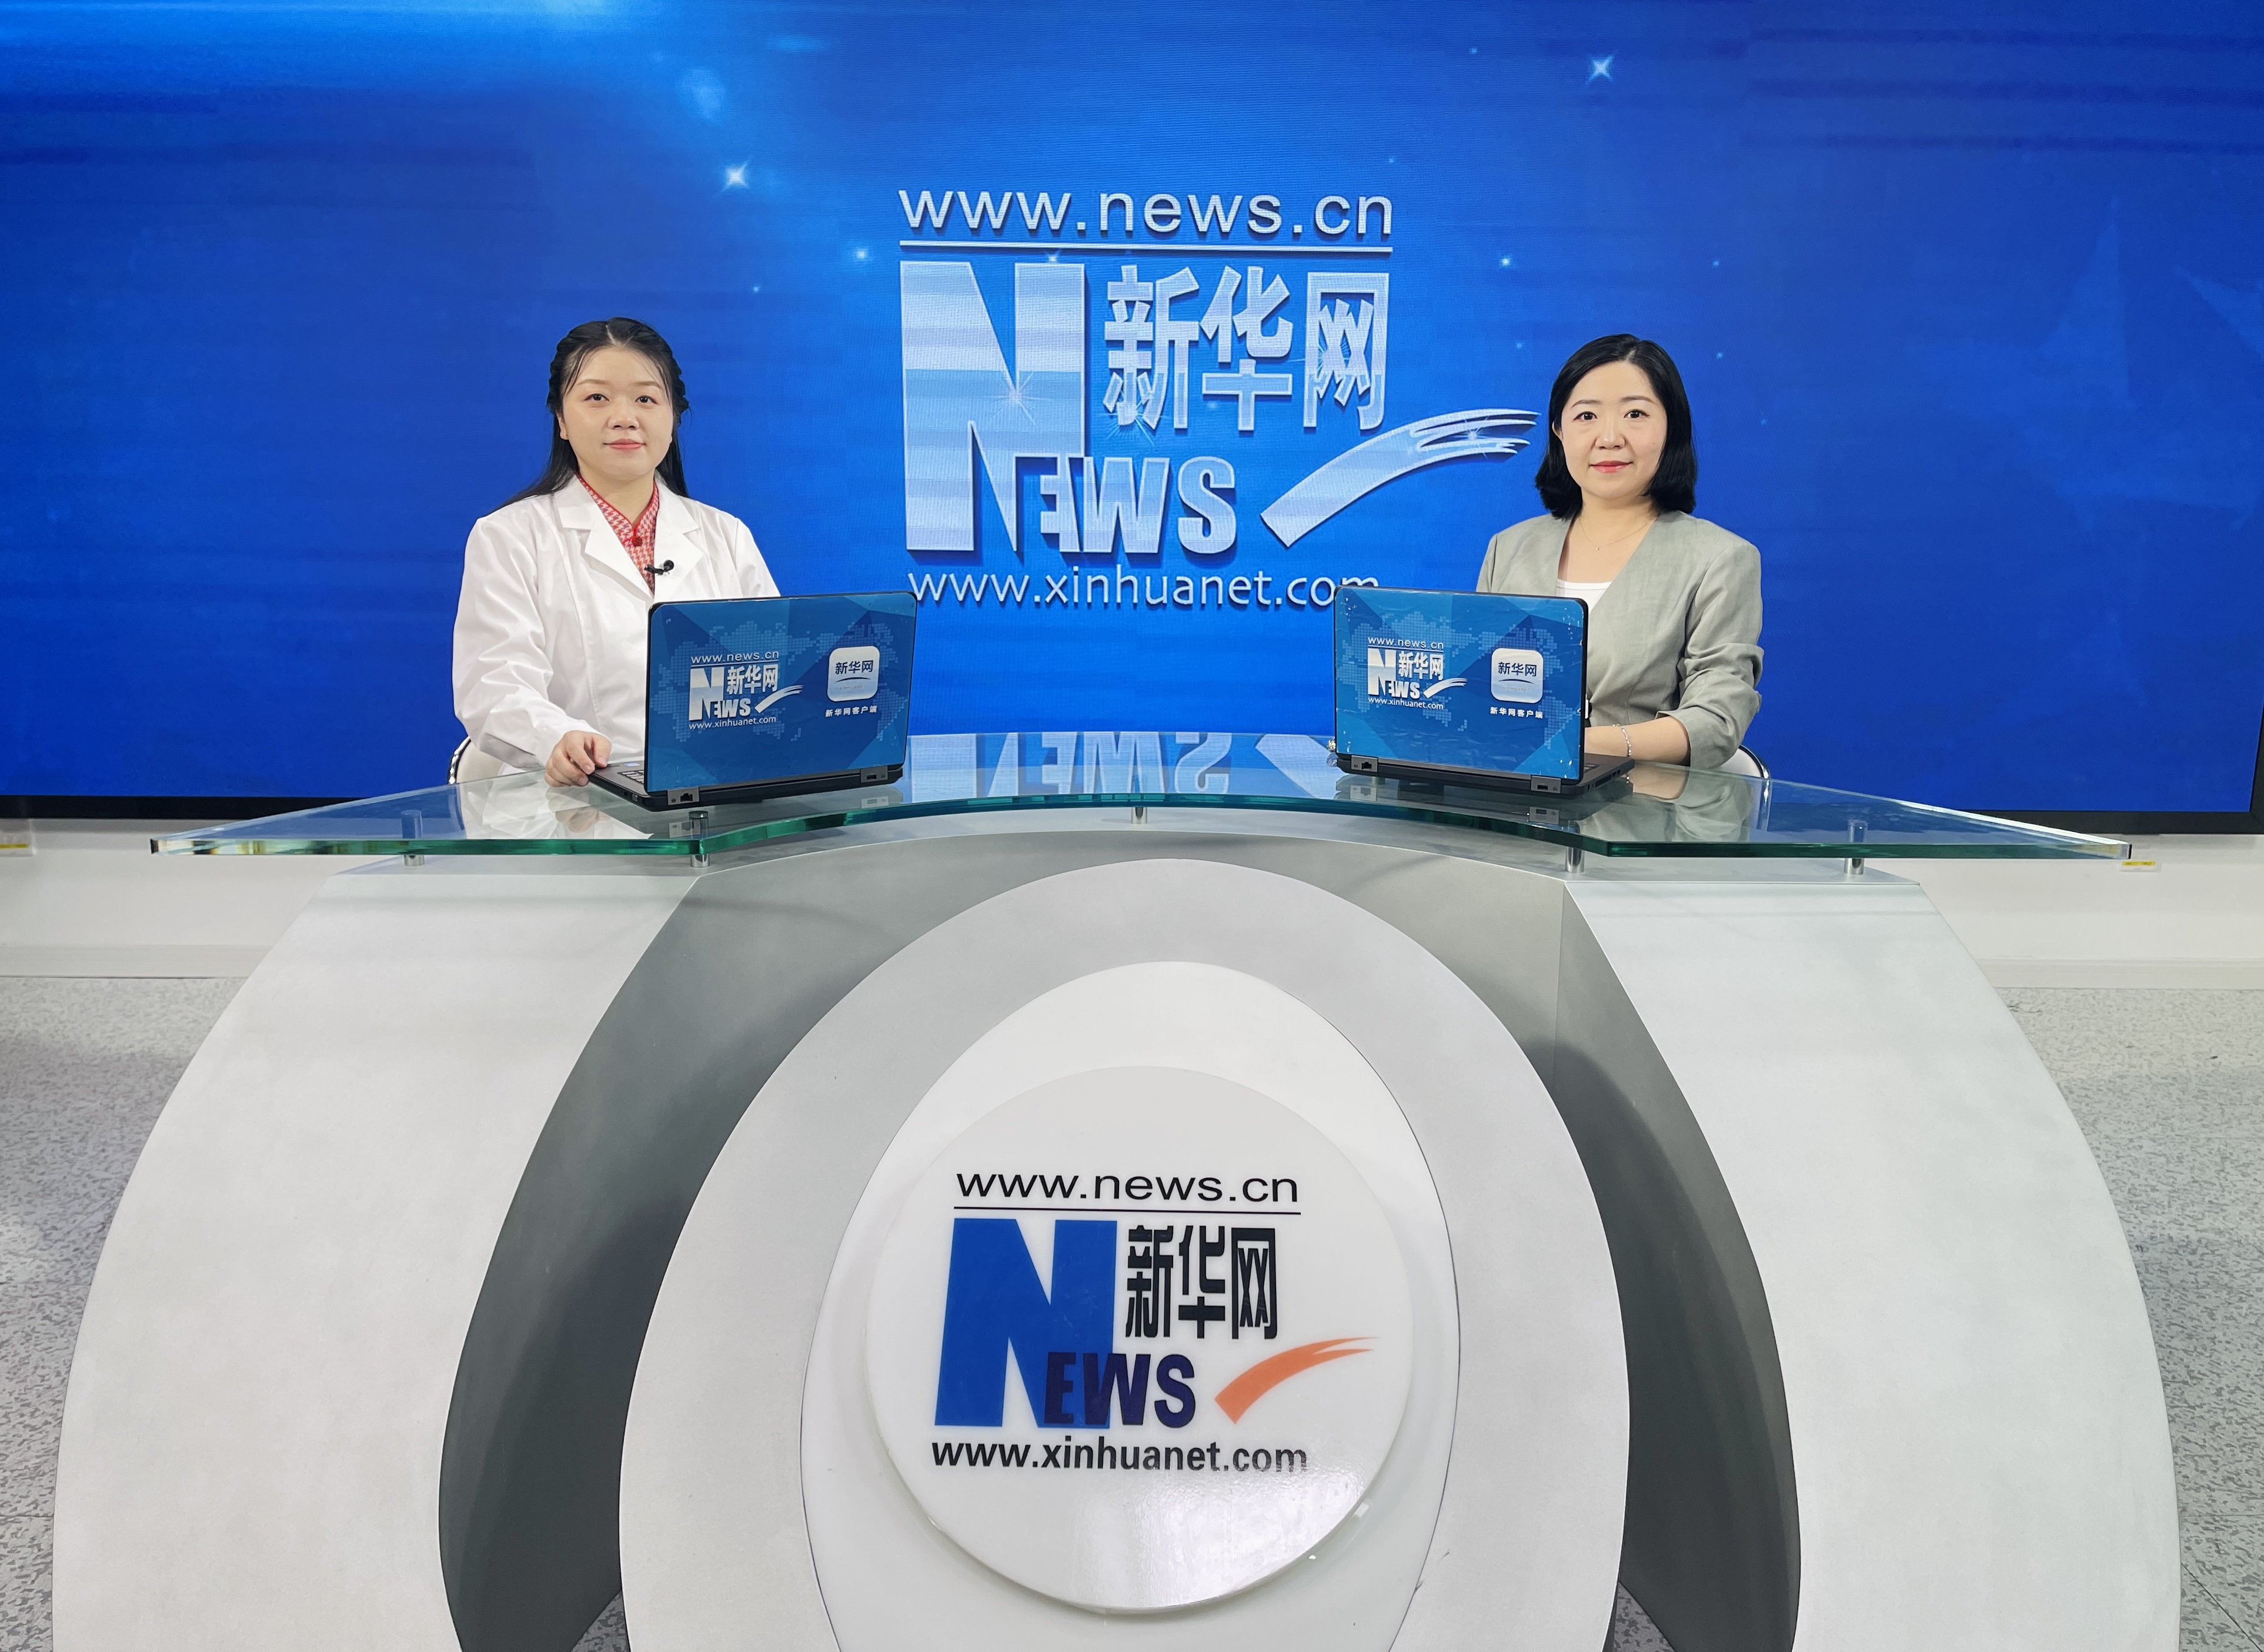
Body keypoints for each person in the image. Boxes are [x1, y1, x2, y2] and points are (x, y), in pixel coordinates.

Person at [453, 317, 778, 786]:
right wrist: (556, 737)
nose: (624, 417)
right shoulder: (509, 536)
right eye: (596, 398)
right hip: (572, 798)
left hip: (715, 790)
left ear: (673, 419)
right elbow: (494, 685)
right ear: (562, 421)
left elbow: (772, 671)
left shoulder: (727, 536)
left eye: (646, 399)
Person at [1475, 334, 1761, 771]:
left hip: (1642, 800)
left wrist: (1579, 747)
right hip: (1508, 796)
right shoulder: (1508, 549)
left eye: (1635, 414)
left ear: (1671, 428)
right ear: (1559, 431)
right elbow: (1475, 693)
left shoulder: (1720, 559)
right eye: (1586, 416)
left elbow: (1716, 720)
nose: (1609, 438)